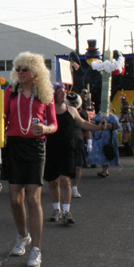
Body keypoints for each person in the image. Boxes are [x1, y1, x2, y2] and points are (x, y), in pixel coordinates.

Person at [2, 52, 58, 267]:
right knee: (15, 198)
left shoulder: (45, 94)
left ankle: (36, 249)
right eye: (18, 69)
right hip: (14, 145)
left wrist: (45, 128)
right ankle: (22, 235)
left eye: (25, 69)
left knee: (33, 198)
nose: (21, 73)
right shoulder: (10, 91)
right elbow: (3, 117)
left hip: (35, 146)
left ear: (36, 72)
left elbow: (54, 124)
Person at [45, 84, 105, 225]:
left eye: (64, 91)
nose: (64, 94)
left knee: (65, 180)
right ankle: (56, 210)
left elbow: (83, 123)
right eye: (60, 92)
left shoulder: (71, 110)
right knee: (53, 181)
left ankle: (66, 211)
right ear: (53, 94)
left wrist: (98, 128)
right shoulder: (47, 110)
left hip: (67, 149)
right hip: (51, 149)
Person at [86, 108, 120, 178]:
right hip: (98, 138)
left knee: (106, 153)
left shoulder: (112, 116)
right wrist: (96, 123)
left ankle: (104, 170)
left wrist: (108, 125)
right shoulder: (98, 115)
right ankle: (105, 170)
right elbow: (92, 122)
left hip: (107, 139)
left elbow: (117, 126)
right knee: (101, 154)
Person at [67, 93, 89, 198]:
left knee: (78, 167)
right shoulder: (64, 112)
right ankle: (65, 188)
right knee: (66, 167)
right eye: (72, 103)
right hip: (66, 142)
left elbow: (86, 127)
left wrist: (90, 142)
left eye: (75, 103)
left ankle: (74, 188)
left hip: (79, 142)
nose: (74, 104)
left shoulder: (82, 114)